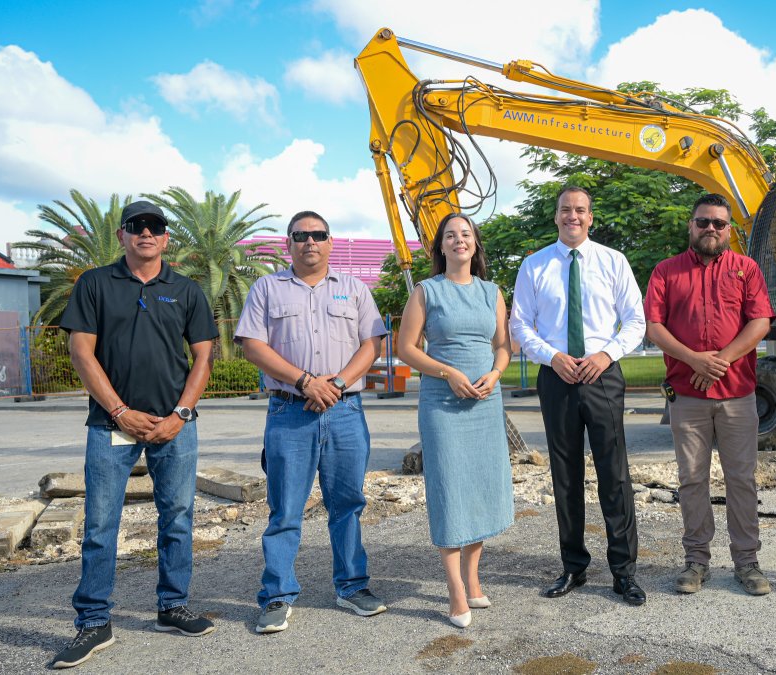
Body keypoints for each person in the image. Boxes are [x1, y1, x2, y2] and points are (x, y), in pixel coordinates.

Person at [52, 200, 218, 669]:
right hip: (111, 425)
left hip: (174, 428)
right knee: (102, 524)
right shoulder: (95, 284)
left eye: (156, 227)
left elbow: (203, 357)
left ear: (166, 238)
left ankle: (172, 605)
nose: (146, 233)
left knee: (179, 518)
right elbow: (82, 352)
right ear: (123, 235)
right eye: (136, 226)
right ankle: (93, 620)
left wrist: (181, 414)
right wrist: (120, 411)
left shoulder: (185, 290)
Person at [235, 211, 388, 633]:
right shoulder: (266, 288)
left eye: (318, 235)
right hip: (289, 411)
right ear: (289, 244)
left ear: (330, 242)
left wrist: (335, 384)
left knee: (348, 505)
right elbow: (252, 346)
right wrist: (305, 382)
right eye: (300, 235)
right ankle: (277, 596)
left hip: (344, 411)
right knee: (285, 509)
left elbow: (371, 344)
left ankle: (353, 586)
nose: (310, 242)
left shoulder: (355, 289)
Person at [510, 186, 648, 606]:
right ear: (556, 217)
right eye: (566, 210)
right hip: (557, 377)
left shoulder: (613, 261)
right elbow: (521, 326)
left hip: (602, 375)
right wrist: (553, 357)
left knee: (614, 474)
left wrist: (606, 354)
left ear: (591, 217)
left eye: (581, 210)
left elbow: (635, 322)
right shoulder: (534, 266)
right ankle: (573, 566)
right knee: (565, 475)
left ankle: (623, 572)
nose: (573, 216)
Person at [644, 193, 774, 596]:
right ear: (691, 225)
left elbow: (760, 321)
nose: (711, 229)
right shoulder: (666, 272)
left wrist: (719, 361)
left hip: (737, 393)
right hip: (687, 395)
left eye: (719, 223)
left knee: (742, 479)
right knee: (692, 479)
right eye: (703, 222)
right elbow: (654, 327)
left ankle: (747, 562)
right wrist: (693, 360)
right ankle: (696, 561)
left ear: (729, 229)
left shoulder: (746, 269)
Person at [396, 214, 514, 628]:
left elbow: (503, 346)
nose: (459, 240)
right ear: (441, 247)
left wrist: (495, 374)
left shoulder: (492, 292)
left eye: (466, 234)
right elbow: (405, 349)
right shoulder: (427, 292)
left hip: (485, 401)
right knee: (449, 487)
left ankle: (474, 577)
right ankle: (455, 589)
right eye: (450, 235)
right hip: (442, 405)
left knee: (481, 486)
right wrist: (448, 372)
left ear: (475, 245)